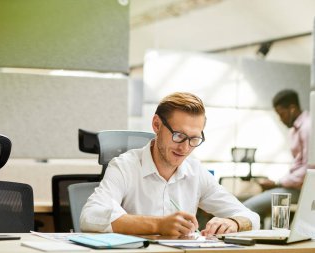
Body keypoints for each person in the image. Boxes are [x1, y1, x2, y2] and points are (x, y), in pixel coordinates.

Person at [80, 92, 260, 236]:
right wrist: (159, 225)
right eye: (179, 136)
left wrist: (233, 222)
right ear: (156, 125)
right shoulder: (124, 167)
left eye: (194, 139)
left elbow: (251, 217)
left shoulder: (196, 171)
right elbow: (90, 216)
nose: (185, 147)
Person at [244, 89, 314, 226]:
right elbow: (298, 166)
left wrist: (278, 183)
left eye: (281, 114)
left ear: (292, 108)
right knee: (273, 214)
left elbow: (309, 169)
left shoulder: (308, 128)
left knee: (248, 208)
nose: (280, 119)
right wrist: (278, 183)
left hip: (306, 190)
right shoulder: (295, 129)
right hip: (297, 187)